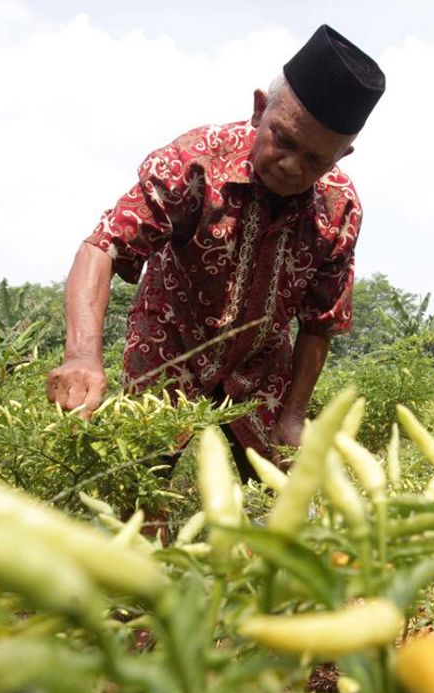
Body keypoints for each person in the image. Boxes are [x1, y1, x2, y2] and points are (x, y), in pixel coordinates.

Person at [46, 24, 385, 470]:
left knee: (279, 500)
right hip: (169, 351)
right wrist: (82, 356)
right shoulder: (194, 163)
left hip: (261, 369)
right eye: (283, 139)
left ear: (341, 156)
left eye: (316, 160)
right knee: (139, 484)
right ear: (260, 109)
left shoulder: (338, 209)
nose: (291, 165)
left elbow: (320, 322)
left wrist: (295, 416)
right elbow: (103, 246)